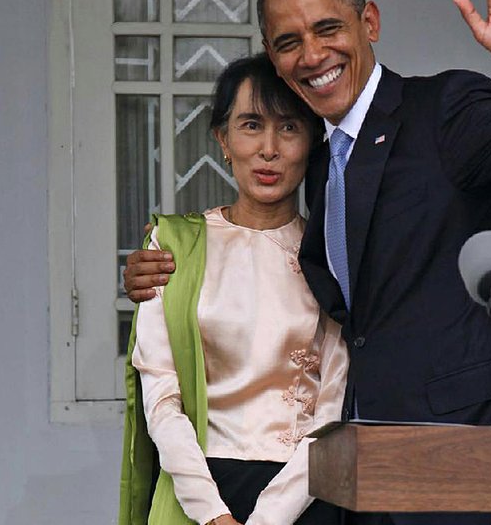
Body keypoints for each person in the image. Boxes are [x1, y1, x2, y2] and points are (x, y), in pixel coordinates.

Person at [125, 0, 491, 525]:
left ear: (369, 23)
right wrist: (160, 276)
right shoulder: (321, 161)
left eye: (328, 29)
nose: (312, 54)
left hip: (476, 459)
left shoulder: (445, 110)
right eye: (289, 42)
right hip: (364, 480)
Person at [118, 53, 349, 525]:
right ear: (222, 138)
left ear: (312, 143)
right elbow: (161, 396)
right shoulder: (175, 245)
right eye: (250, 125)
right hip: (194, 494)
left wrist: (270, 516)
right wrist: (213, 514)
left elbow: (334, 406)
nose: (269, 149)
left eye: (289, 128)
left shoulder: (332, 256)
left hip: (302, 496)